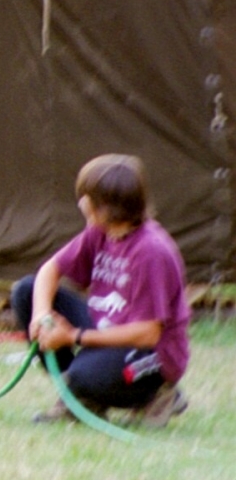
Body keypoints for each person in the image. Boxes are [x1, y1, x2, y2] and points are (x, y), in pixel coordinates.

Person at [12, 154, 190, 427]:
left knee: (82, 376)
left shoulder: (151, 251)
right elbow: (50, 270)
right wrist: (41, 315)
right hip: (107, 328)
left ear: (106, 209)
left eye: (88, 199)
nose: (82, 204)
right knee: (25, 291)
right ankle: (81, 397)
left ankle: (157, 393)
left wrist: (72, 336)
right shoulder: (100, 232)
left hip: (150, 353)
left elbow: (148, 333)